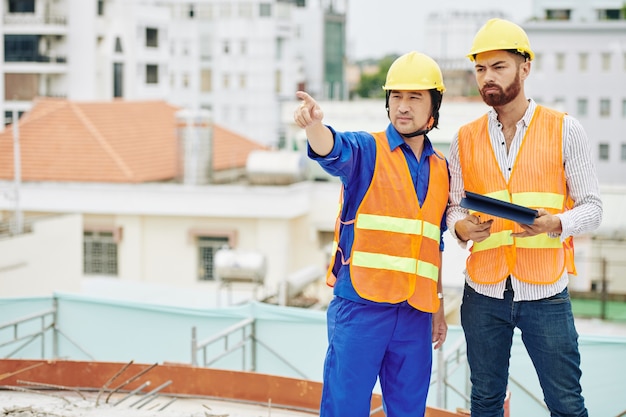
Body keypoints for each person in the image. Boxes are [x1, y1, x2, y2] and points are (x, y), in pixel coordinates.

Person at [447, 18, 603, 417]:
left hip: (545, 294)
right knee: (484, 402)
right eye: (480, 69)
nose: (488, 78)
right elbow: (454, 206)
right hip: (483, 292)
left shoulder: (565, 129)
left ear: (525, 67)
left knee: (566, 404)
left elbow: (593, 207)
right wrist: (461, 227)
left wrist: (556, 224)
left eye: (498, 67)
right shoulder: (463, 138)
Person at [293, 51, 449, 417]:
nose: (403, 107)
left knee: (410, 411)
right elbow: (331, 149)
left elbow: (434, 245)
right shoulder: (367, 150)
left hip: (415, 314)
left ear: (433, 108)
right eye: (396, 97)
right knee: (345, 407)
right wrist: (314, 126)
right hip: (362, 307)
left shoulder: (442, 168)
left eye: (414, 98)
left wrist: (438, 308)